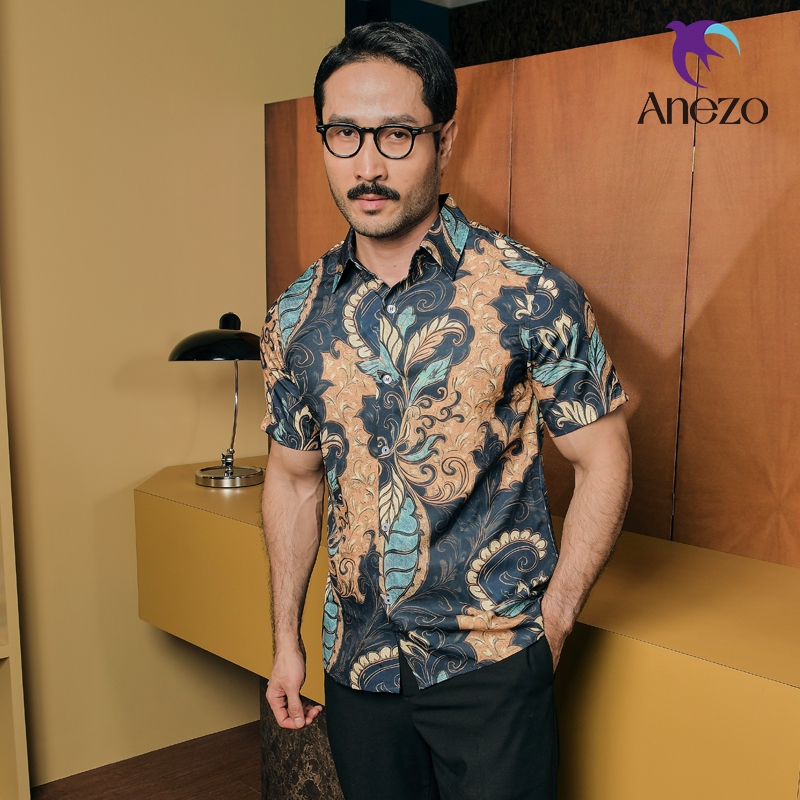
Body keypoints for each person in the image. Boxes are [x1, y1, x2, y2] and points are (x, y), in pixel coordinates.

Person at [260, 21, 632, 800]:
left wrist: (556, 620)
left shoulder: (532, 292)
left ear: (445, 139)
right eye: (344, 134)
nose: (367, 165)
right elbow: (293, 481)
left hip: (491, 664)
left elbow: (604, 458)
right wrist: (286, 643)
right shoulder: (295, 315)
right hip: (358, 664)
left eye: (396, 134)